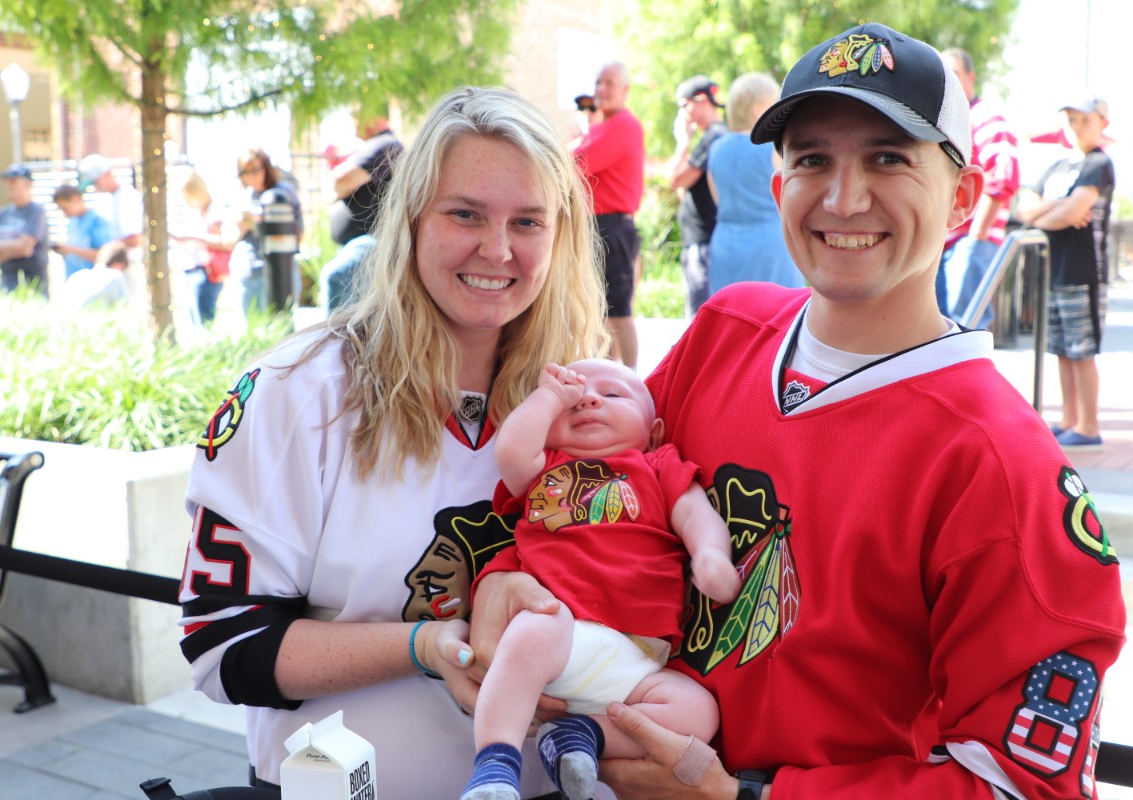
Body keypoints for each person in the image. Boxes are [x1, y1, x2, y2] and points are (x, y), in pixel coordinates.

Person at [471, 23, 1126, 800]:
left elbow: (1027, 785)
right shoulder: (725, 332)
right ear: (780, 189)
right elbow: (600, 489)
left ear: (962, 199)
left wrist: (745, 797)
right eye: (813, 158)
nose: (845, 197)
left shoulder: (1003, 465)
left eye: (888, 157)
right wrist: (503, 580)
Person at [177, 86, 610, 798]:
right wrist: (425, 647)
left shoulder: (590, 398)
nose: (497, 250)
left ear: (560, 235)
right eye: (465, 213)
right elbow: (222, 646)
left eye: (527, 221)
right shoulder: (294, 391)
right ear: (410, 218)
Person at [462, 359, 739, 800]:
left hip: (640, 656)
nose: (588, 399)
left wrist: (710, 555)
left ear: (655, 431)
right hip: (561, 629)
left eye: (612, 395)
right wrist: (550, 396)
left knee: (698, 712)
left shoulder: (657, 464)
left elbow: (695, 513)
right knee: (532, 631)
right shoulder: (545, 468)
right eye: (572, 401)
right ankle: (496, 765)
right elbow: (511, 451)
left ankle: (583, 735)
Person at [1022, 93, 1115, 451]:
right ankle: (1068, 418)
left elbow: (1070, 210)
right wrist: (1056, 209)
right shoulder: (1058, 166)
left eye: (1084, 120)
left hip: (1084, 271)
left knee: (1081, 349)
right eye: (1071, 120)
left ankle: (1089, 425)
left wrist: (1047, 213)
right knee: (1061, 348)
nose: (1076, 127)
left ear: (1101, 124)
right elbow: (1024, 205)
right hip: (1053, 271)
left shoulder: (1098, 164)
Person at [936, 47, 1021, 328]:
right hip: (944, 243)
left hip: (968, 243)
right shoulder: (945, 120)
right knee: (939, 333)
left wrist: (976, 236)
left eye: (955, 72)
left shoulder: (986, 117)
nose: (949, 79)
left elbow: (1002, 179)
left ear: (971, 77)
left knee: (964, 329)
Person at [572, 62, 645, 369]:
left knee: (617, 310)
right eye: (598, 82)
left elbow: (577, 161)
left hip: (610, 227)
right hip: (598, 226)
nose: (601, 89)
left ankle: (631, 377)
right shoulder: (605, 126)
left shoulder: (623, 125)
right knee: (600, 310)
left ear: (625, 90)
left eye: (609, 83)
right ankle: (610, 374)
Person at [706, 72, 803, 293]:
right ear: (758, 109)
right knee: (778, 313)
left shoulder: (716, 148)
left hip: (725, 243)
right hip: (769, 244)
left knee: (730, 314)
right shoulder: (772, 148)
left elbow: (717, 199)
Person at [320, 112, 405, 313]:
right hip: (362, 243)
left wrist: (337, 191)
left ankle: (337, 345)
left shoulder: (384, 144)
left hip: (369, 241)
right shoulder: (378, 146)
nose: (354, 126)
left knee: (336, 276)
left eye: (358, 117)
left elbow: (337, 182)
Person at [666, 76, 728, 317]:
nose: (682, 113)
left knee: (700, 317)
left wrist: (683, 141)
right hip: (702, 239)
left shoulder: (714, 136)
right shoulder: (714, 136)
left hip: (704, 241)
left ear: (701, 100)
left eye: (684, 105)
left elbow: (675, 179)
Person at [232, 147, 304, 314]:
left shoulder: (282, 193)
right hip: (250, 270)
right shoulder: (244, 196)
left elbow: (298, 232)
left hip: (282, 270)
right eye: (246, 172)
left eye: (256, 170)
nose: (252, 176)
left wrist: (264, 223)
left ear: (266, 167)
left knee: (282, 325)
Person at [173, 170, 236, 327]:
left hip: (207, 272)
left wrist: (192, 236)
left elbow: (223, 242)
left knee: (204, 321)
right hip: (191, 268)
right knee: (195, 321)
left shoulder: (214, 212)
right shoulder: (195, 211)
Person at [0, 163, 49, 298]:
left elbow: (25, 249)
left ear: (27, 185)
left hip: (32, 284)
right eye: (7, 181)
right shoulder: (3, 213)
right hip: (7, 282)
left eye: (13, 180)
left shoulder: (37, 211)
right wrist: (13, 247)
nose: (8, 184)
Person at [77, 153, 144, 248]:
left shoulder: (127, 198)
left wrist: (106, 248)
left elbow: (134, 239)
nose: (95, 187)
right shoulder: (109, 199)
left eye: (95, 182)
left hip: (130, 259)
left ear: (106, 174)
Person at [51, 183, 113, 279]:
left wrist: (71, 250)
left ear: (75, 199)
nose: (64, 213)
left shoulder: (96, 221)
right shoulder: (72, 222)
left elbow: (106, 257)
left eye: (65, 208)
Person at [58, 239, 130, 311]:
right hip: (93, 319)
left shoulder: (77, 276)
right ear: (119, 265)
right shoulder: (116, 275)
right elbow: (126, 310)